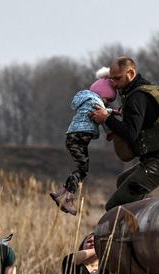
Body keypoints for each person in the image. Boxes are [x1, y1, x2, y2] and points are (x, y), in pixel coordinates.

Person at [90, 57, 159, 211]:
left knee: (114, 207)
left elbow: (130, 133)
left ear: (131, 73)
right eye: (111, 78)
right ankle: (137, 220)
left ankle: (132, 229)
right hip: (157, 159)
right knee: (122, 181)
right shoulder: (146, 89)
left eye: (117, 78)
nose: (113, 83)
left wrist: (106, 118)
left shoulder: (137, 97)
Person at [50, 68, 117, 216]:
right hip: (79, 138)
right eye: (108, 100)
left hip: (73, 138)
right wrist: (112, 123)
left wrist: (112, 111)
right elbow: (103, 113)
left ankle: (60, 192)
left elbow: (103, 110)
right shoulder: (95, 102)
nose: (107, 104)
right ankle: (68, 197)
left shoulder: (87, 100)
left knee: (81, 168)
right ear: (103, 94)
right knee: (82, 170)